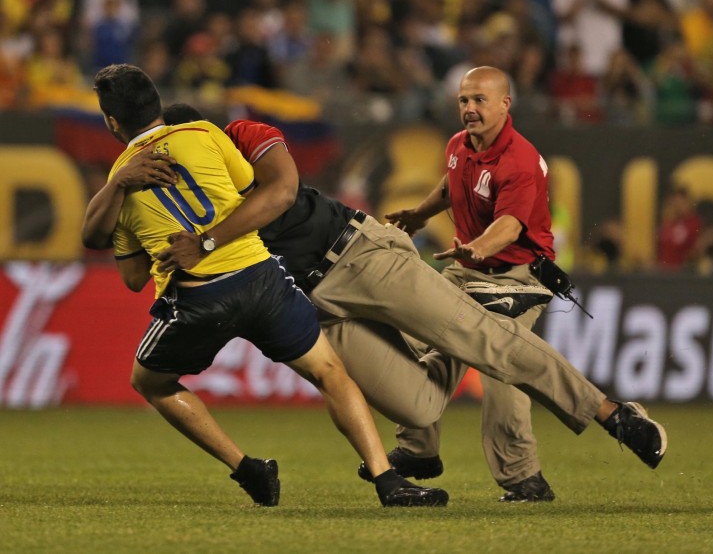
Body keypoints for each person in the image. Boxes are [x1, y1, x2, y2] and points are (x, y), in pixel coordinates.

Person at [156, 101, 668, 502]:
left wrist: (206, 241)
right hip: (319, 305)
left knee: (488, 344)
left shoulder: (242, 137)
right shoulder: (179, 204)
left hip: (361, 256)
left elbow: (284, 191)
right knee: (418, 408)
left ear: (204, 137)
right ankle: (482, 299)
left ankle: (611, 415)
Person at [80, 63, 449, 509]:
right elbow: (250, 191)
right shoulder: (207, 135)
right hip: (262, 279)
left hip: (198, 298)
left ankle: (247, 467)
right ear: (157, 104)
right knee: (330, 373)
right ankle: (388, 481)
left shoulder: (116, 186)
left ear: (112, 122)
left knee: (151, 382)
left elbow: (133, 277)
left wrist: (126, 191)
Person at [384, 65, 570, 501]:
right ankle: (418, 452)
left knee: (502, 367)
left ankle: (525, 479)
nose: (469, 109)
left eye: (479, 100)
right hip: (468, 270)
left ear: (505, 104)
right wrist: (419, 214)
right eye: (464, 101)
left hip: (516, 278)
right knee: (424, 346)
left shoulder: (521, 161)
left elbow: (509, 224)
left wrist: (479, 247)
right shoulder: (458, 145)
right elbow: (451, 185)